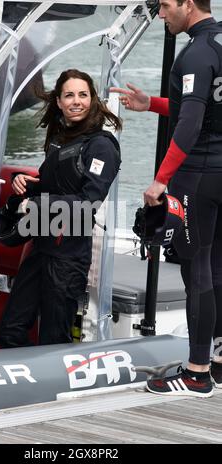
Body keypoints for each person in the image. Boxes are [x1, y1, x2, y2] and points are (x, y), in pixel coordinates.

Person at [112, 0, 222, 398]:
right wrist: (151, 105)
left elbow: (191, 123)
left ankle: (196, 373)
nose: (160, 14)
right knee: (218, 265)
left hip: (199, 178)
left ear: (188, 4)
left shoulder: (195, 53)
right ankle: (219, 361)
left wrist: (161, 181)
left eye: (164, 6)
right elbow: (206, 107)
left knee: (197, 272)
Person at [0, 69, 121, 347]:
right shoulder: (59, 138)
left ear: (92, 100)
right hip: (40, 246)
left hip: (68, 257)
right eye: (69, 95)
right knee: (11, 330)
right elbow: (51, 184)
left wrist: (39, 203)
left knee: (54, 338)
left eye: (83, 95)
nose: (76, 101)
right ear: (59, 102)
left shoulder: (101, 146)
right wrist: (23, 183)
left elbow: (88, 203)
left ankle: (53, 389)